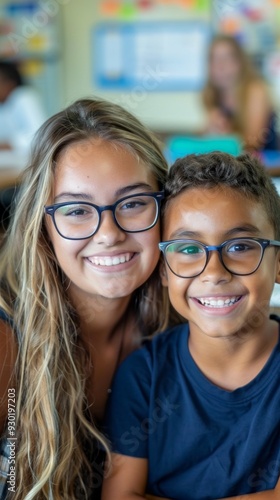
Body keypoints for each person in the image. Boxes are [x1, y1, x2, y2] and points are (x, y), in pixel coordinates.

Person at [0, 97, 180, 499]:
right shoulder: (7, 340)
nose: (108, 233)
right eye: (77, 210)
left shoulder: (182, 324)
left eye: (133, 203)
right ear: (42, 225)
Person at [102, 151, 280, 499]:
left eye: (241, 245)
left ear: (278, 263)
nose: (214, 272)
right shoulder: (143, 375)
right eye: (187, 248)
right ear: (164, 269)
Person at [202, 35, 278, 152]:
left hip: (266, 166)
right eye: (214, 59)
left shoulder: (255, 90)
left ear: (239, 62)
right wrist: (210, 130)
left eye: (226, 58)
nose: (220, 66)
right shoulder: (212, 96)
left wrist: (224, 136)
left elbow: (253, 142)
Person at [0, 61, 46, 229]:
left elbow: (38, 135)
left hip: (27, 166)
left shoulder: (24, 97)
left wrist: (8, 144)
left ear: (9, 83)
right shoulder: (4, 105)